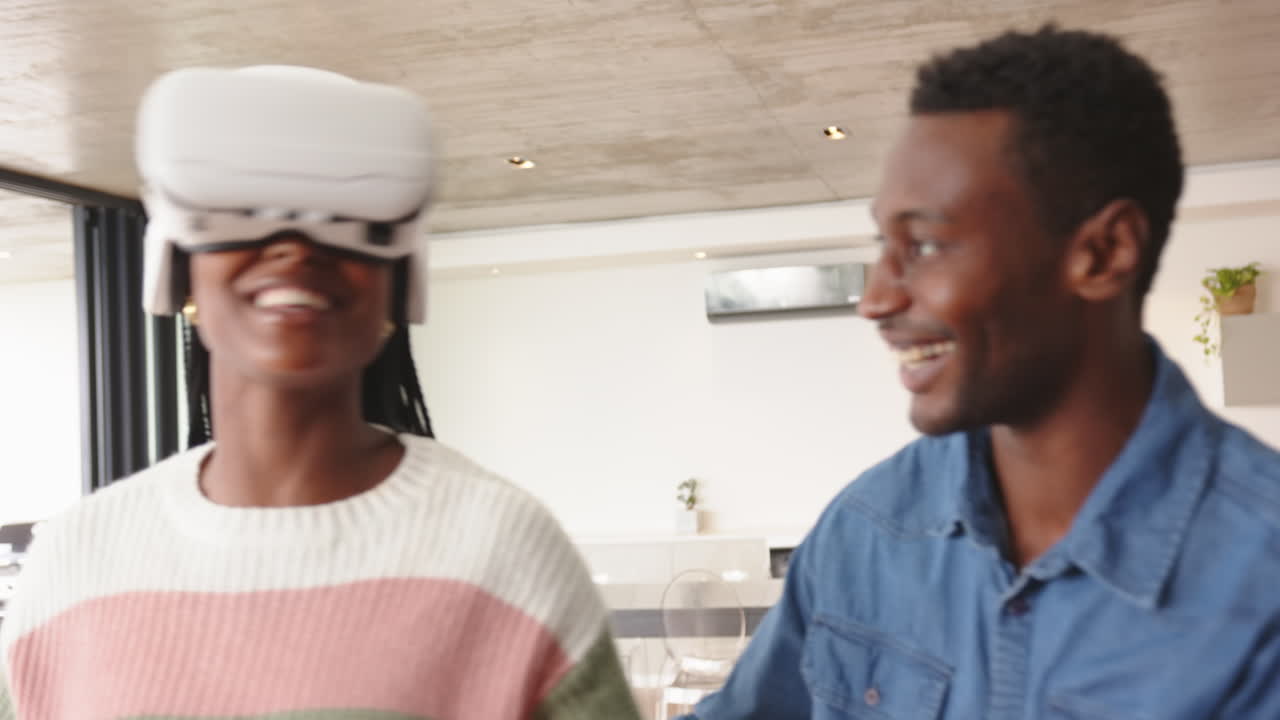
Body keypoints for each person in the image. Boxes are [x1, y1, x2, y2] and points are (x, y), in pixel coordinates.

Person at [0, 66, 641, 720]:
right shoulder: (73, 562)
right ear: (179, 265)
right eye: (243, 210)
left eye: (346, 217)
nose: (296, 248)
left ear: (400, 277)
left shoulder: (504, 550)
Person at [678, 24, 1280, 719]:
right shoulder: (868, 530)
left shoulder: (1260, 586)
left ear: (1103, 253)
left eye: (927, 245)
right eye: (884, 243)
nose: (875, 300)